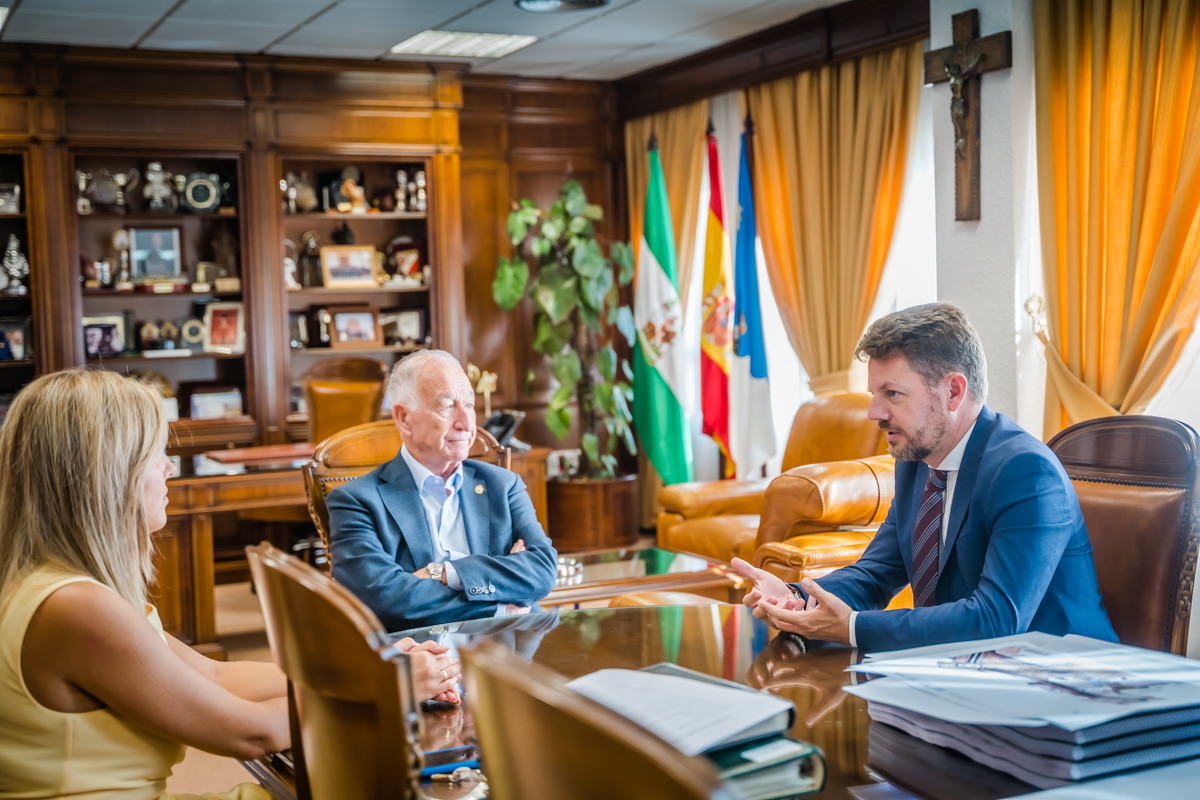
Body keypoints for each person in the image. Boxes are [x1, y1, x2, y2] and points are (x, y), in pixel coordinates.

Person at [0, 369, 458, 800]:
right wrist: (389, 686)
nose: (170, 468)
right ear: (107, 475)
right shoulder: (77, 607)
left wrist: (372, 666)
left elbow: (216, 676)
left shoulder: (55, 586)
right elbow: (250, 732)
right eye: (155, 454)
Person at [731, 303, 1117, 653]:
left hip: (1066, 678)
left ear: (953, 392)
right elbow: (874, 574)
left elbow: (996, 619)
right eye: (874, 393)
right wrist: (797, 597)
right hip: (965, 672)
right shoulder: (916, 462)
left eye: (892, 394)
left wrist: (852, 628)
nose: (874, 412)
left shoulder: (1026, 471)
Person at [328, 349, 558, 632]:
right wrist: (498, 606)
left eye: (470, 405)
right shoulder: (356, 500)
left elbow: (543, 572)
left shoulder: (503, 484)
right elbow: (386, 599)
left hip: (510, 645)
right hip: (423, 651)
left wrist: (445, 573)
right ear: (404, 418)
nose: (466, 423)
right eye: (447, 406)